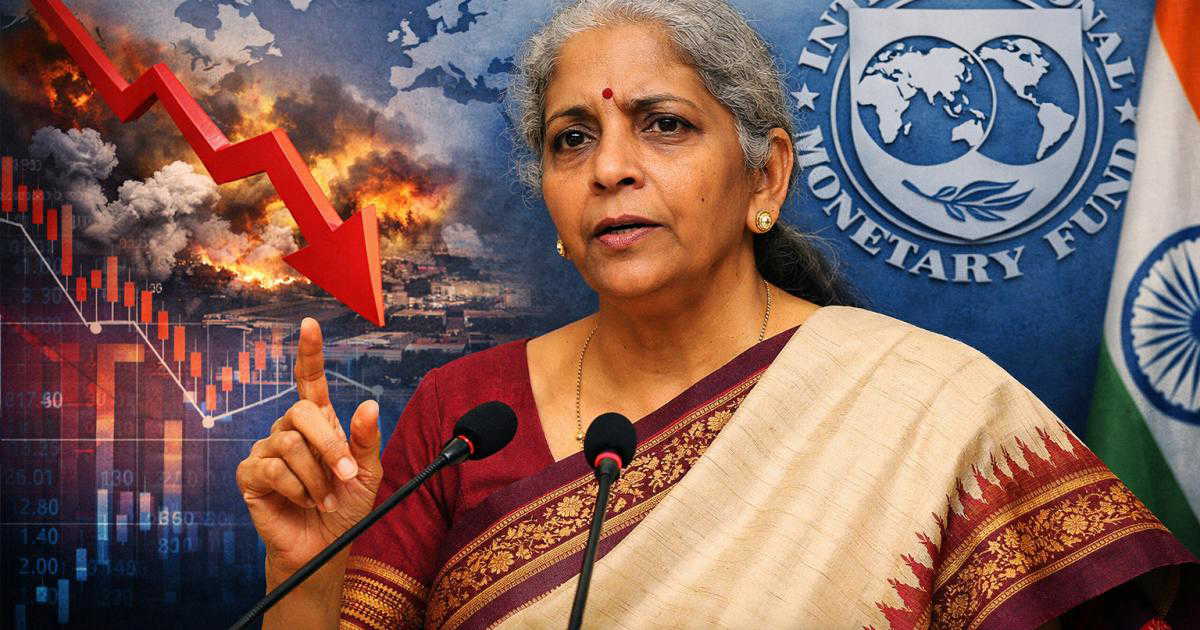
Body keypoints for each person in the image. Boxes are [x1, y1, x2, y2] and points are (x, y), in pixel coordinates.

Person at [235, 0, 1199, 628]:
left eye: (664, 125)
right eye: (573, 139)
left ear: (764, 179)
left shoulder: (928, 404)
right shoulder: (463, 414)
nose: (612, 169)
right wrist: (310, 570)